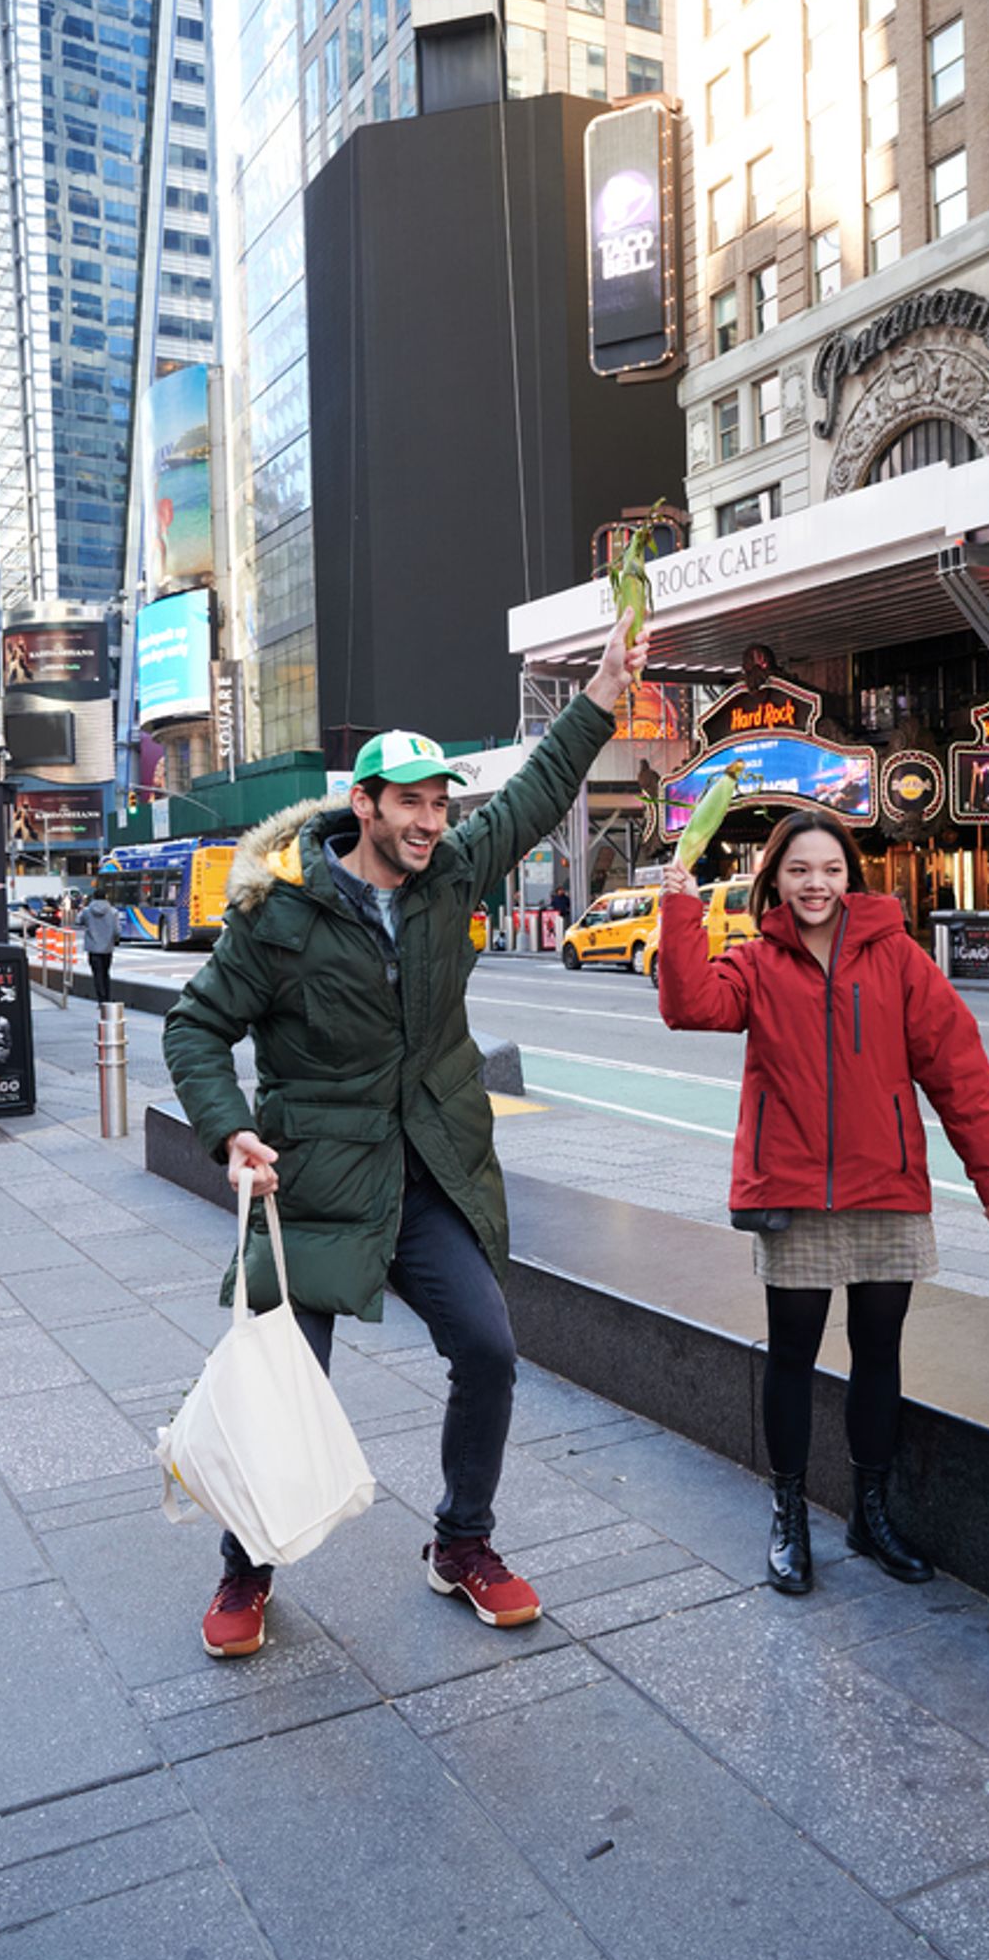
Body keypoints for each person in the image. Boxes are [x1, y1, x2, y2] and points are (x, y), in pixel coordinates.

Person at [163, 612, 647, 1659]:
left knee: (488, 1346)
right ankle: (246, 1565)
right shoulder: (281, 915)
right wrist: (230, 1131)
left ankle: (459, 1542)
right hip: (317, 1178)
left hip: (429, 1169)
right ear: (364, 805)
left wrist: (602, 691)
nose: (431, 821)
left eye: (440, 803)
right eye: (411, 804)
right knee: (284, 1377)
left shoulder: (450, 880)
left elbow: (535, 791)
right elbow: (198, 1026)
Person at [658, 809, 989, 1597]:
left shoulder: (898, 957)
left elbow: (954, 1060)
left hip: (885, 1185)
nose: (815, 883)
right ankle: (788, 1514)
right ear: (775, 880)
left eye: (828, 869)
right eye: (798, 870)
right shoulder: (756, 961)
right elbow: (690, 1005)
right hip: (792, 1188)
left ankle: (871, 1509)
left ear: (849, 876)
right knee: (791, 1354)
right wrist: (679, 905)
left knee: (879, 1351)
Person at [79, 884, 120, 1003]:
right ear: (106, 897)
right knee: (105, 973)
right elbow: (117, 931)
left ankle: (101, 999)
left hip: (93, 948)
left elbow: (78, 921)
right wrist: (114, 940)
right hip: (107, 948)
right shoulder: (113, 912)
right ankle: (107, 998)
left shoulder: (87, 911)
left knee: (97, 974)